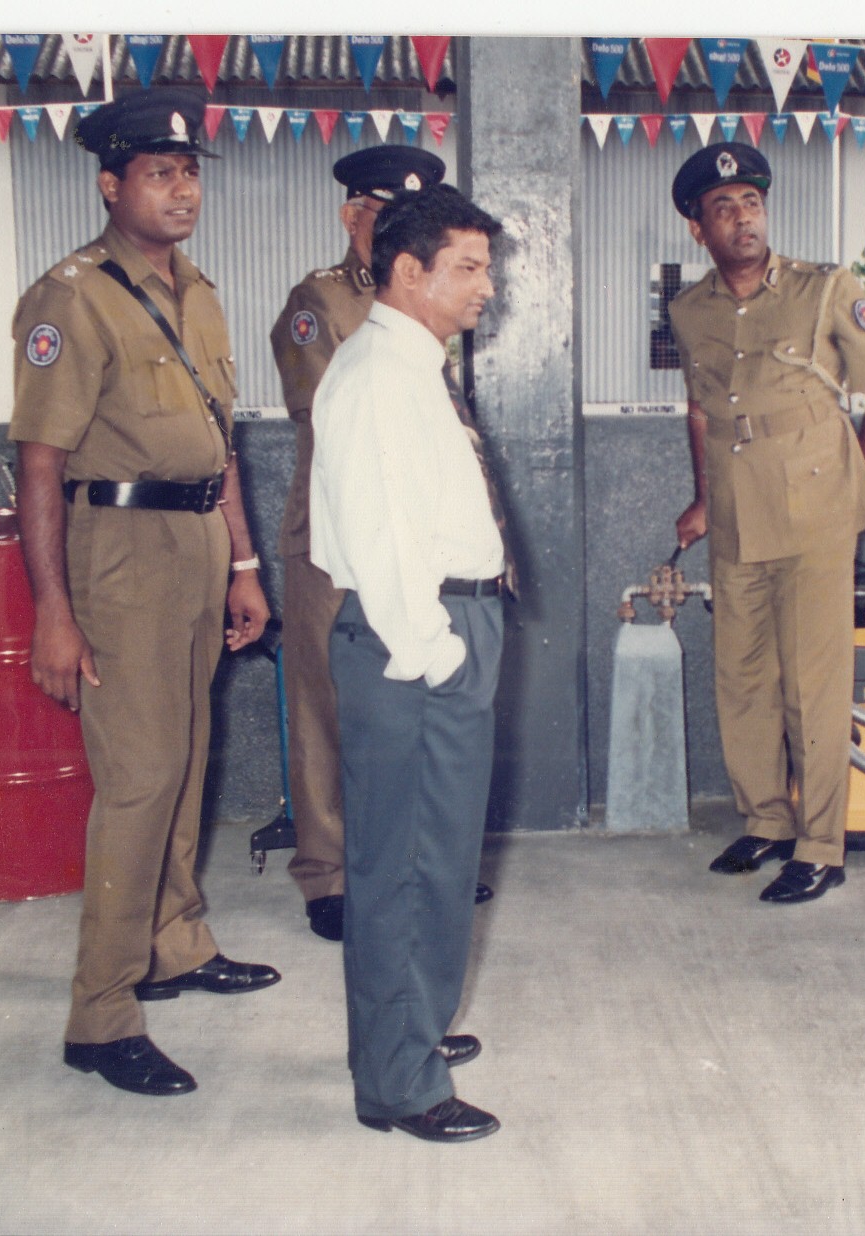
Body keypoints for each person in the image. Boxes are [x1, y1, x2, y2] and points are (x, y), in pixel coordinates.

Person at [9, 89, 280, 1098]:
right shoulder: (70, 298)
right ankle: (102, 1014)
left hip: (198, 544)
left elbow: (220, 444)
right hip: (119, 554)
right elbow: (40, 463)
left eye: (190, 172)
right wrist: (53, 610)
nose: (182, 190)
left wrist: (243, 564)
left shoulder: (197, 292)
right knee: (138, 777)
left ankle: (175, 942)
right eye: (160, 173)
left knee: (188, 757)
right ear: (109, 183)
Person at [310, 183, 507, 1142]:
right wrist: (438, 657)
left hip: (444, 631)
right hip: (418, 644)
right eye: (467, 268)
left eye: (486, 268)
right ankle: (400, 1082)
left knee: (431, 860)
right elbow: (382, 542)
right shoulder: (379, 376)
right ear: (407, 270)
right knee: (413, 865)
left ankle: (407, 1032)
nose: (486, 288)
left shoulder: (409, 365)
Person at [667, 143, 865, 904]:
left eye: (752, 203)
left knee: (814, 683)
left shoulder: (827, 288)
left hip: (814, 516)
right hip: (737, 512)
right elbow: (702, 410)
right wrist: (703, 498)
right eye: (724, 208)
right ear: (697, 228)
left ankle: (821, 846)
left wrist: (845, 483)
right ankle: (767, 822)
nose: (743, 218)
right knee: (742, 678)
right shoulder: (689, 310)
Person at [269, 145, 492, 942]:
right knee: (328, 705)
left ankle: (410, 864)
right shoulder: (321, 302)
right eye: (381, 211)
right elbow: (336, 422)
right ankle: (328, 872)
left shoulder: (434, 295)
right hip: (340, 533)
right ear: (352, 217)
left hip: (417, 527)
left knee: (406, 717)